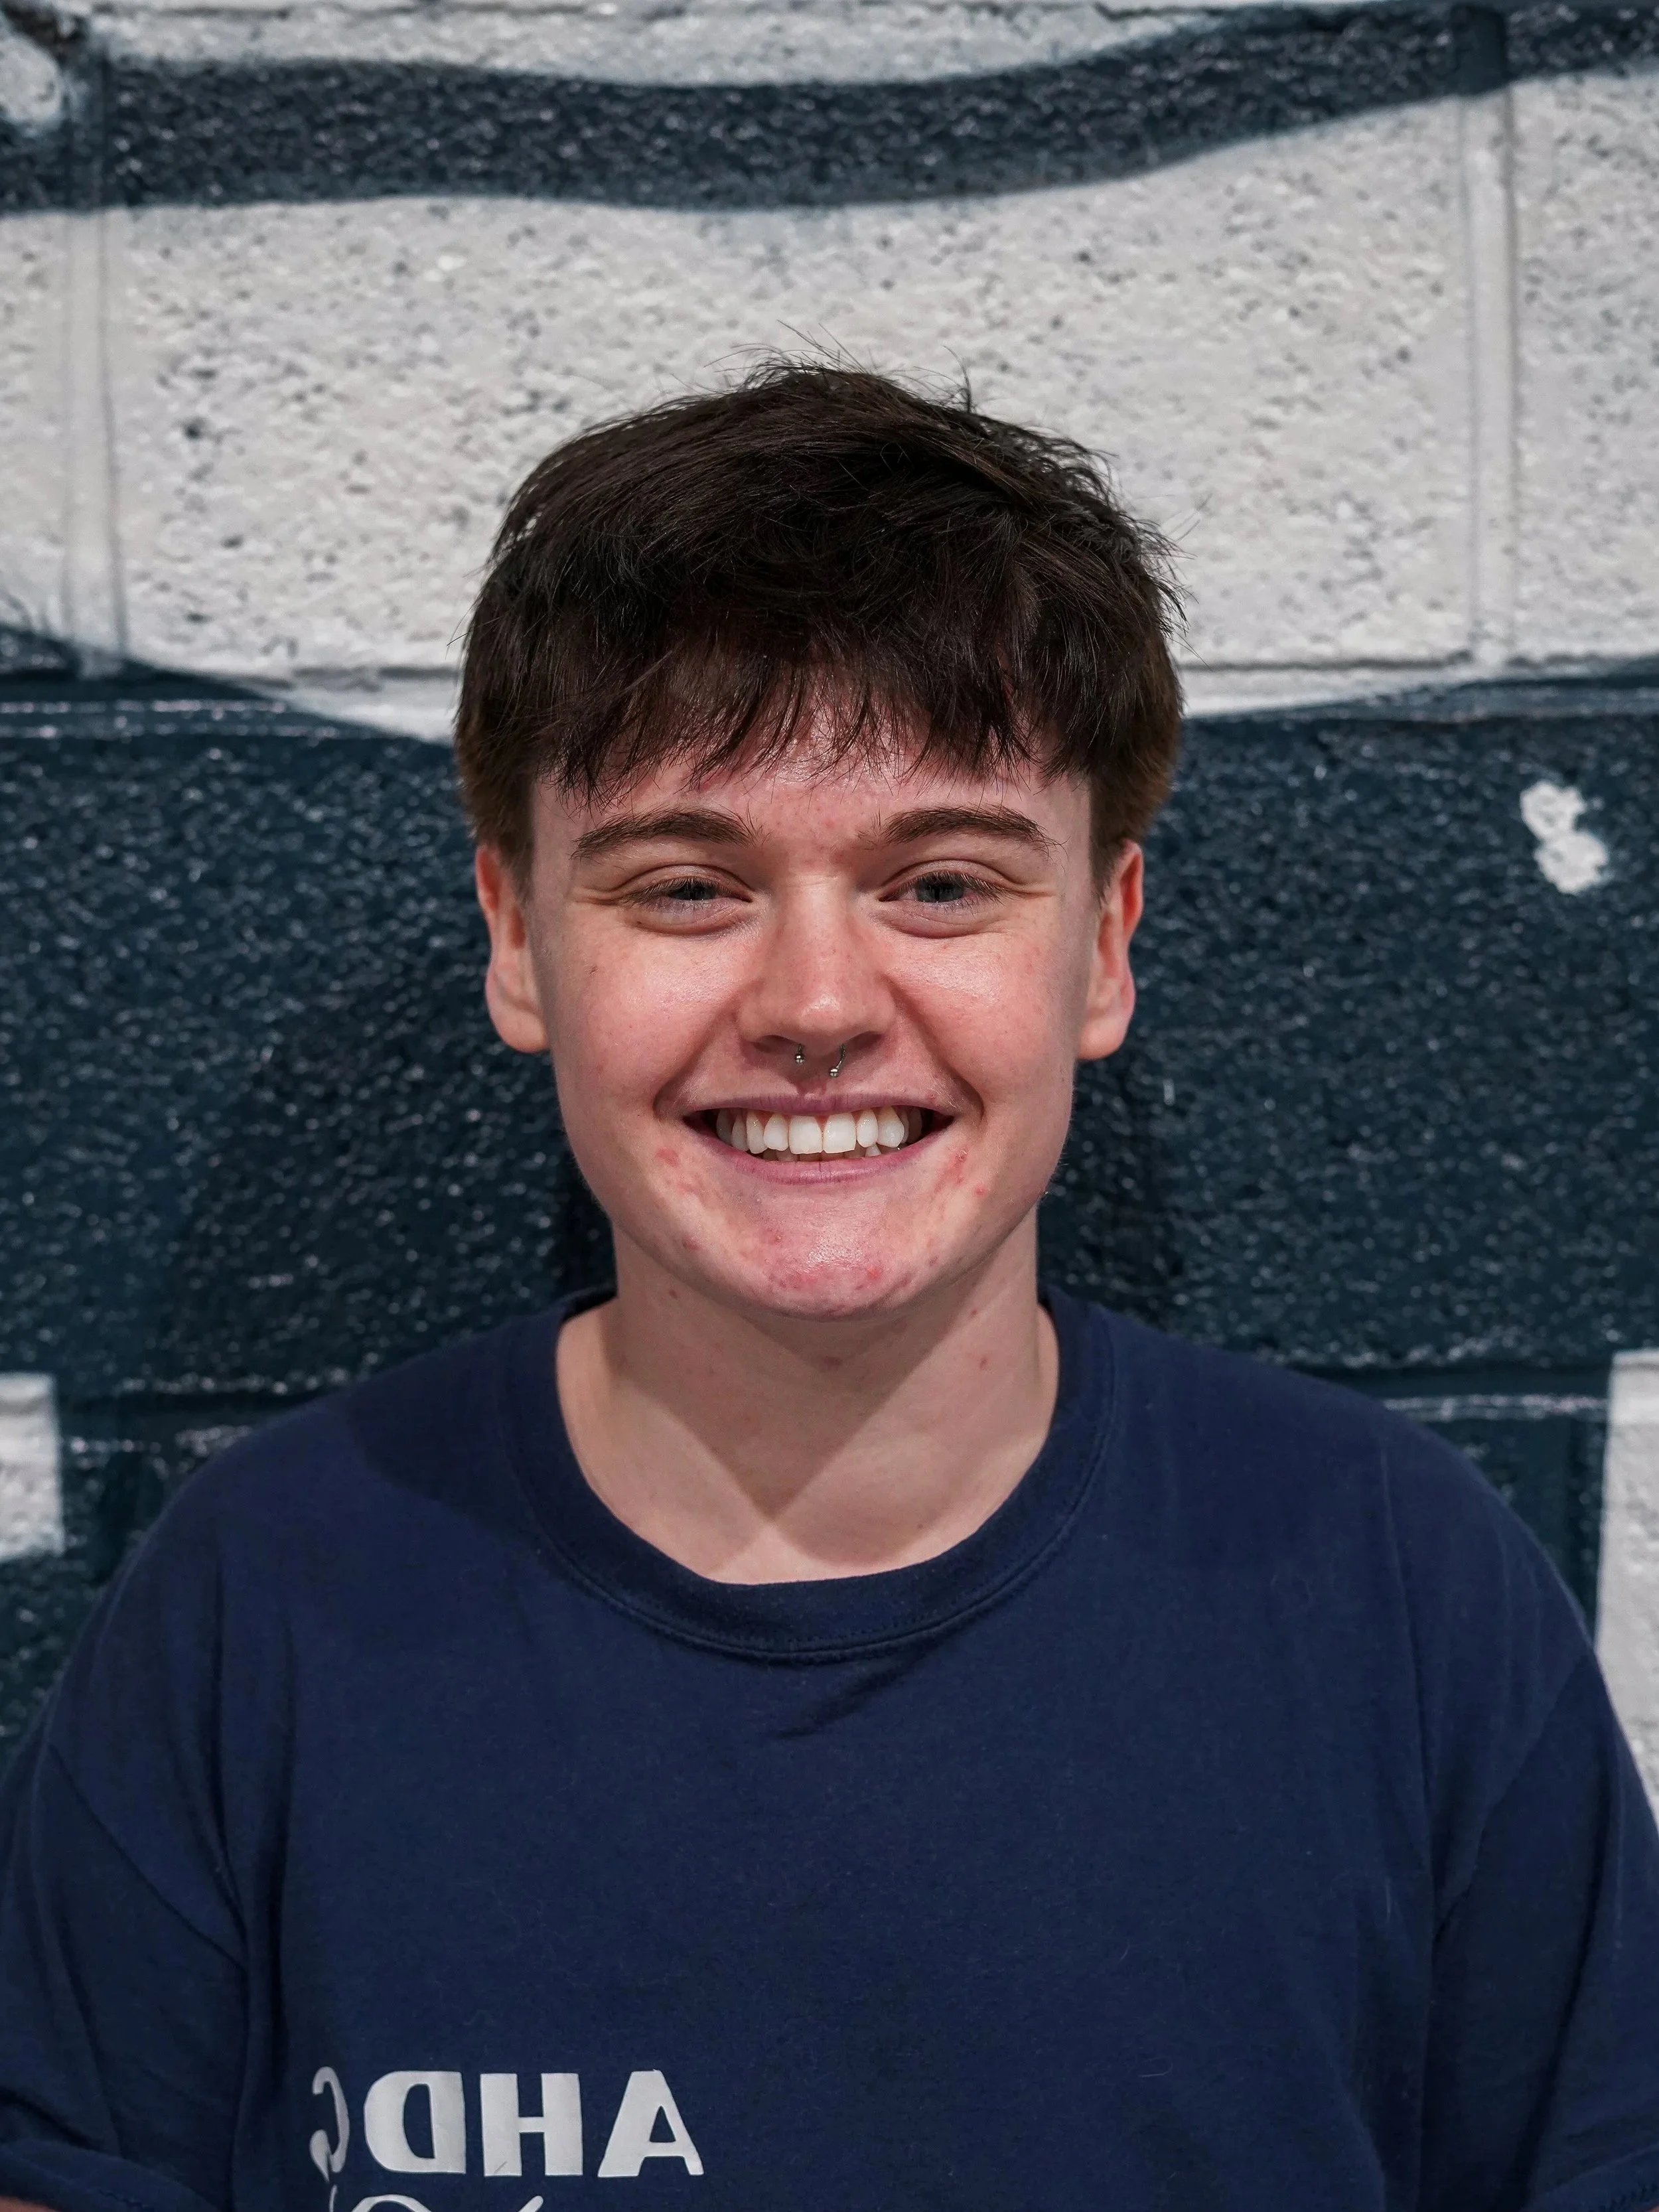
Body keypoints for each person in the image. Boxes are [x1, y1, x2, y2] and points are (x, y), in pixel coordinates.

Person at [1, 362, 1656, 2212]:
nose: (810, 1003)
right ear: (516, 938)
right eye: (688, 887)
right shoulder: (261, 1598)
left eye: (941, 883)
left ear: (1099, 949)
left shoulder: (1396, 1591)